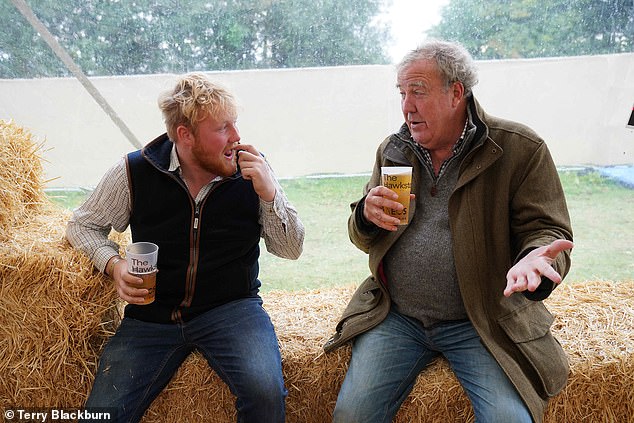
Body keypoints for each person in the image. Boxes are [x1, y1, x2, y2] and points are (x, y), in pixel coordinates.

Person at [325, 40, 573, 423]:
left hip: (481, 320)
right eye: (402, 93)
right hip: (398, 317)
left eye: (418, 92)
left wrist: (536, 259)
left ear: (456, 93)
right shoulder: (394, 150)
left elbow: (548, 231)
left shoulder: (517, 148)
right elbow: (364, 237)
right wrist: (365, 218)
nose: (407, 105)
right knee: (351, 415)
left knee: (510, 420)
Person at [66, 72, 304, 423]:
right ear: (185, 135)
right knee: (103, 413)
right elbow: (82, 224)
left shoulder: (253, 171)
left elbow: (290, 249)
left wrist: (269, 195)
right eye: (223, 128)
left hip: (232, 310)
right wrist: (114, 265)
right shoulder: (136, 170)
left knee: (265, 394)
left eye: (235, 124)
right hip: (151, 316)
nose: (237, 137)